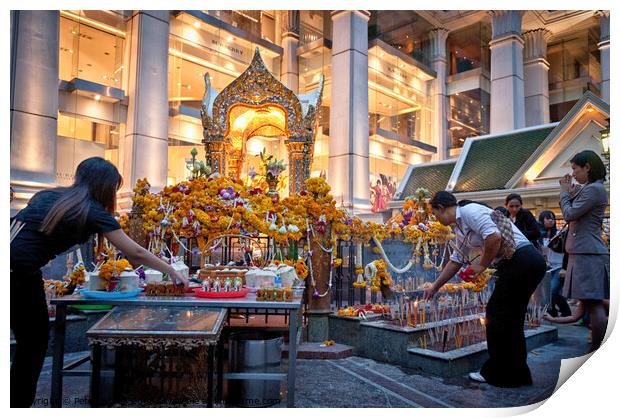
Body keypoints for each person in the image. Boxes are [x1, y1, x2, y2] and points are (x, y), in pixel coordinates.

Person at [10, 157, 188, 407]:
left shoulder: (47, 196)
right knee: (33, 344)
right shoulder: (92, 210)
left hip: (14, 269)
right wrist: (172, 271)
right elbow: (135, 253)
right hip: (18, 275)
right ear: (107, 188)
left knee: (28, 343)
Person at [424, 191, 546, 387]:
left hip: (522, 261)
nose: (435, 219)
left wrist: (481, 265)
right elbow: (456, 261)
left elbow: (494, 237)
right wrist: (435, 287)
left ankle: (496, 373)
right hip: (523, 263)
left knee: (496, 315)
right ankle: (518, 374)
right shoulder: (460, 228)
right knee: (511, 319)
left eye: (434, 214)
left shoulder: (469, 211)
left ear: (441, 208)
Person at [559, 150, 609, 352]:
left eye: (575, 168)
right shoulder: (590, 188)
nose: (573, 173)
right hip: (584, 252)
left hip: (587, 253)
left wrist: (563, 193)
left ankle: (596, 349)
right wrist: (570, 191)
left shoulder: (594, 189)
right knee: (591, 304)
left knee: (593, 305)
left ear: (587, 167)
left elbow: (569, 214)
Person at [539, 210, 571, 318]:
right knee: (550, 292)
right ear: (541, 220)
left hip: (560, 266)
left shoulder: (559, 234)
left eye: (552, 218)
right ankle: (560, 312)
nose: (551, 220)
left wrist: (566, 267)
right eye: (548, 218)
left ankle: (561, 312)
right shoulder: (539, 236)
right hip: (547, 267)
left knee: (552, 290)